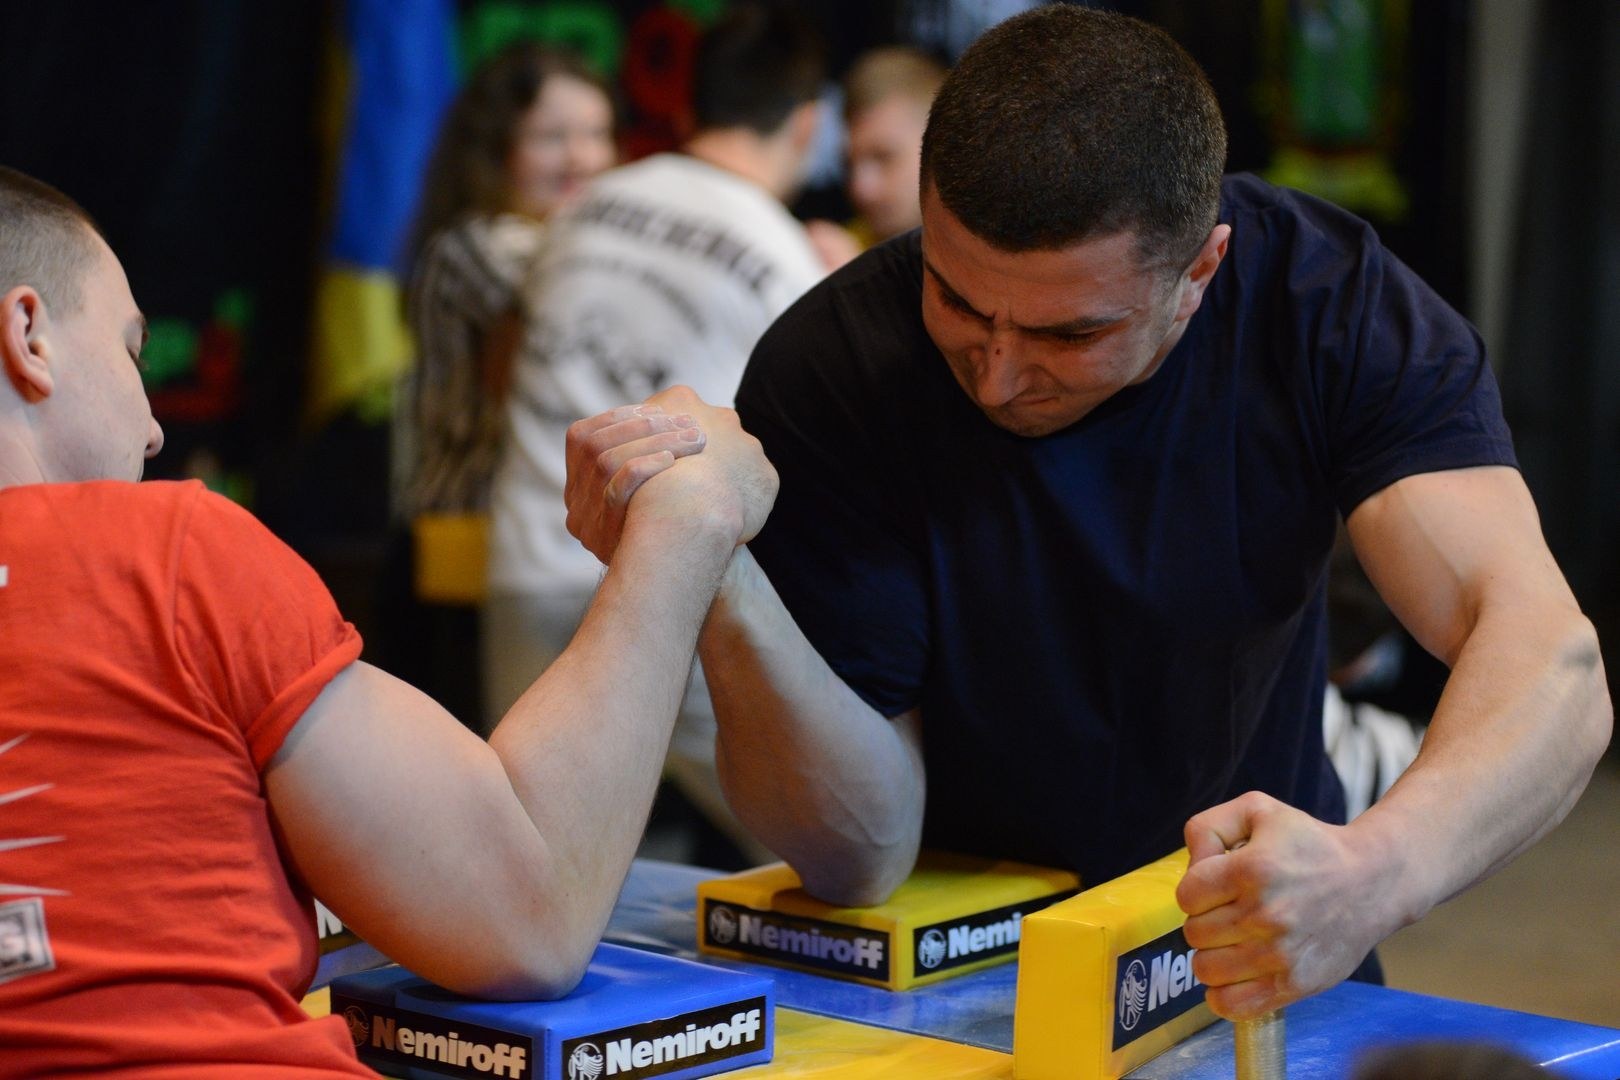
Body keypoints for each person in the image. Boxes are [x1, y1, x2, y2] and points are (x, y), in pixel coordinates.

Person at [570, 7, 1611, 1023]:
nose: (998, 374)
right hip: (954, 975)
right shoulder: (836, 365)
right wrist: (721, 573)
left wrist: (1375, 870)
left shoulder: (1320, 300)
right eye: (957, 300)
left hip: (1248, 942)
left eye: (1070, 334)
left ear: (1199, 272)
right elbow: (859, 853)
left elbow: (1550, 661)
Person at [0, 167, 773, 1074]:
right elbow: (529, 918)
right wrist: (687, 518)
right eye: (131, 352)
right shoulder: (163, 549)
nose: (154, 430)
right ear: (30, 336)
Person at [484, 5, 833, 857]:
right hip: (670, 582)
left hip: (530, 558)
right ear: (805, 124)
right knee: (809, 852)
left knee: (529, 856)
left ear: (685, 108)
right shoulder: (783, 256)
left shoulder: (589, 204)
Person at [383, 43, 617, 725]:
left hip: (539, 558)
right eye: (551, 137)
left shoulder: (570, 247)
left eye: (596, 134)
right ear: (494, 150)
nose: (581, 158)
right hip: (466, 560)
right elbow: (578, 317)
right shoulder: (482, 244)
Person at [841, 46, 947, 247]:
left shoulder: (1000, 248)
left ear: (943, 146)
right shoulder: (838, 252)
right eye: (849, 165)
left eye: (884, 157)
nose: (861, 189)